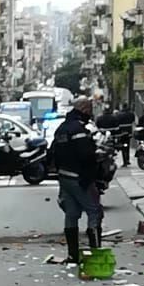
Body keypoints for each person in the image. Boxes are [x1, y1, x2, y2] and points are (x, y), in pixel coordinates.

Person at [46, 93, 104, 266]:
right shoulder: (79, 130)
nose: (90, 113)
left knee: (71, 214)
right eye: (90, 110)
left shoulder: (62, 128)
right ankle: (95, 253)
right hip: (79, 177)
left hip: (64, 177)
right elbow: (86, 155)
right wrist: (96, 159)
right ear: (84, 109)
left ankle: (73, 255)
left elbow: (52, 153)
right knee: (94, 211)